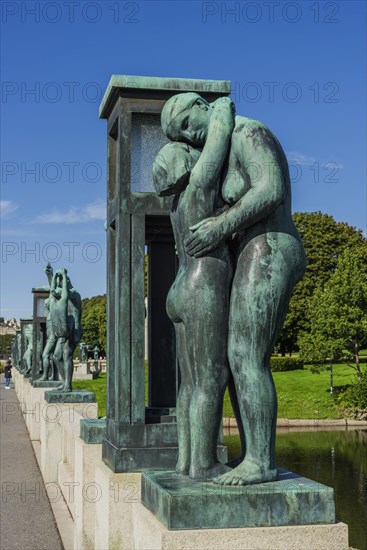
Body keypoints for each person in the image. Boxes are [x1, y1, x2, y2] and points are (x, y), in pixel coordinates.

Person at [161, 92, 307, 485]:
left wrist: (221, 226)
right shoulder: (219, 149)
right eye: (182, 136)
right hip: (249, 250)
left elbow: (270, 189)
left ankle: (261, 461)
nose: (190, 136)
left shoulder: (247, 133)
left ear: (202, 105)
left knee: (244, 353)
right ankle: (252, 455)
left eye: (188, 124)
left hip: (271, 246)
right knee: (235, 355)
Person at [153, 97, 234, 480]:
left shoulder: (174, 204)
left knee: (189, 384)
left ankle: (185, 461)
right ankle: (205, 463)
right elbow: (216, 148)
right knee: (212, 378)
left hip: (178, 289)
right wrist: (221, 113)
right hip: (204, 283)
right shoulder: (198, 189)